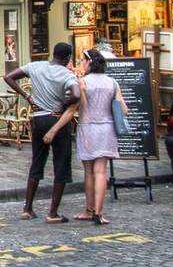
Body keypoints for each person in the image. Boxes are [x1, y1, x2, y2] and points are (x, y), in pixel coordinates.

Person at [42, 49, 126, 225]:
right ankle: (99, 212)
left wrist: (54, 129)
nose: (81, 63)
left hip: (88, 128)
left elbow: (73, 109)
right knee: (101, 171)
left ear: (89, 62)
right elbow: (124, 109)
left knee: (89, 171)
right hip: (107, 128)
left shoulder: (82, 82)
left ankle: (89, 210)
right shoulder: (112, 83)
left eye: (82, 61)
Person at [4, 41, 80, 224]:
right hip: (57, 119)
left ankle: (28, 208)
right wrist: (63, 104)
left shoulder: (36, 66)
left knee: (37, 162)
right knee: (61, 165)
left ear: (53, 54)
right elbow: (76, 95)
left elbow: (9, 77)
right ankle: (52, 213)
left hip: (38, 117)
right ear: (68, 58)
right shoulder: (66, 74)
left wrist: (27, 97)